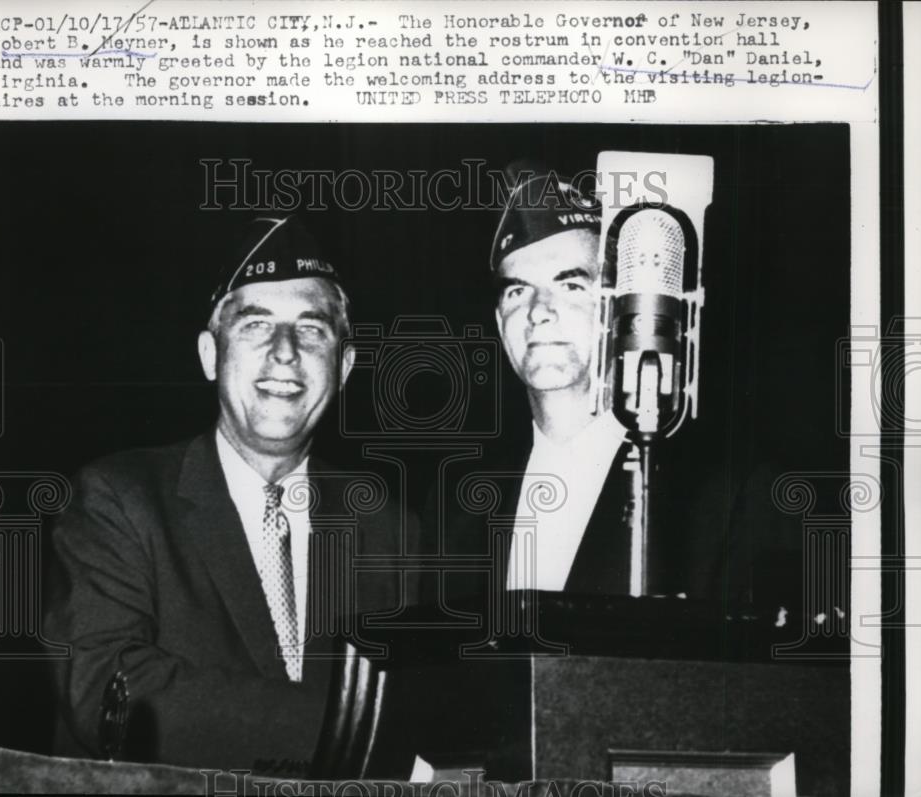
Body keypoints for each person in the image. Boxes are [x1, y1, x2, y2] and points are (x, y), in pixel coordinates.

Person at [45, 216, 411, 772]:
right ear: (210, 355)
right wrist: (363, 733)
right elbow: (112, 692)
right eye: (255, 326)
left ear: (345, 367)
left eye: (312, 329)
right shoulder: (118, 499)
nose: (285, 352)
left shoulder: (391, 529)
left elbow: (445, 704)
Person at [431, 166, 640, 604]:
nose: (539, 311)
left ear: (618, 309)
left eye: (570, 285)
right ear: (499, 323)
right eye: (517, 291)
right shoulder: (458, 510)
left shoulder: (712, 501)